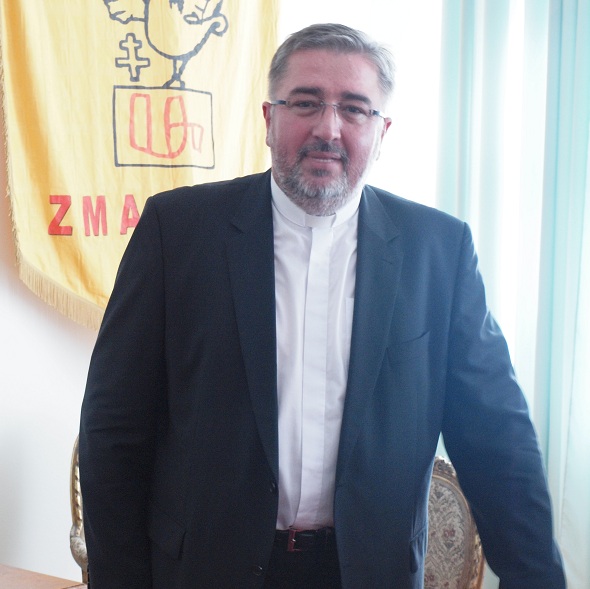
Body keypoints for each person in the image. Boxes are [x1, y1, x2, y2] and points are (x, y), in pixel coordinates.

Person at [79, 23, 566, 589]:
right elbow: (115, 426)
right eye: (306, 102)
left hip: (368, 572)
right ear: (269, 119)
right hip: (206, 569)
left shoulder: (438, 249)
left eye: (354, 109)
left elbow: (495, 437)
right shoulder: (178, 231)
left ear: (382, 132)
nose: (328, 129)